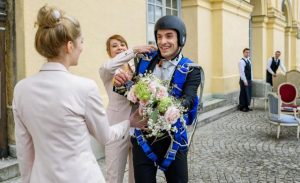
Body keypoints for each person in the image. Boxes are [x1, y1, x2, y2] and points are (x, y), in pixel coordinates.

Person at [13, 5, 143, 183]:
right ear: (69, 46)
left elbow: (24, 150)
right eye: (81, 42)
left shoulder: (20, 89)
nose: (82, 48)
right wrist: (130, 122)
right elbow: (104, 136)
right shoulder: (85, 87)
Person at [114, 15, 202, 183]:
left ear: (181, 38)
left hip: (173, 140)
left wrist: (169, 107)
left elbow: (189, 99)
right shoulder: (144, 61)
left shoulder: (192, 69)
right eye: (159, 36)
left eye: (169, 36)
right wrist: (121, 84)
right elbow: (134, 92)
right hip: (143, 138)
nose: (163, 42)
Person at [99, 35, 155, 183]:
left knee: (137, 175)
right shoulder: (108, 72)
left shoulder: (138, 68)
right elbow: (106, 66)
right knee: (114, 175)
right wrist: (133, 50)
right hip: (117, 127)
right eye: (115, 46)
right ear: (109, 51)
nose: (120, 48)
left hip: (139, 129)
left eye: (123, 44)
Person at [238, 48, 252, 112]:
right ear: (243, 53)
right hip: (244, 80)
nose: (247, 53)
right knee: (243, 93)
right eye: (246, 52)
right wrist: (245, 80)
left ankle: (246, 106)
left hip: (249, 79)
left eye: (248, 52)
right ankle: (242, 107)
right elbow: (241, 72)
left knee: (248, 93)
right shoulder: (241, 61)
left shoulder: (249, 61)